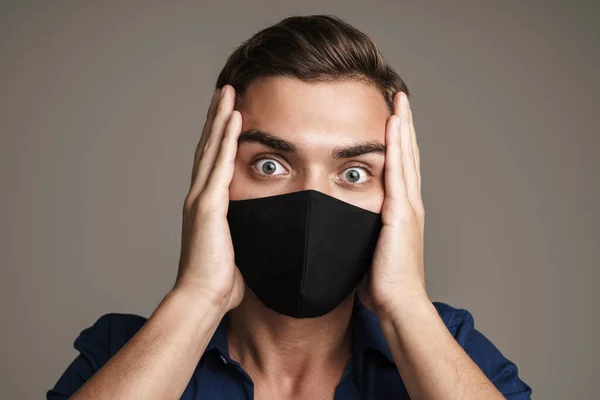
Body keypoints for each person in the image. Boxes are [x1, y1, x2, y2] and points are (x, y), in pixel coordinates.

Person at [47, 14, 532, 400]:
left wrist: (405, 306)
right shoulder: (121, 353)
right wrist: (197, 298)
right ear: (213, 175)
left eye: (355, 173)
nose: (312, 202)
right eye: (270, 165)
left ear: (398, 194)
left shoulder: (453, 348)